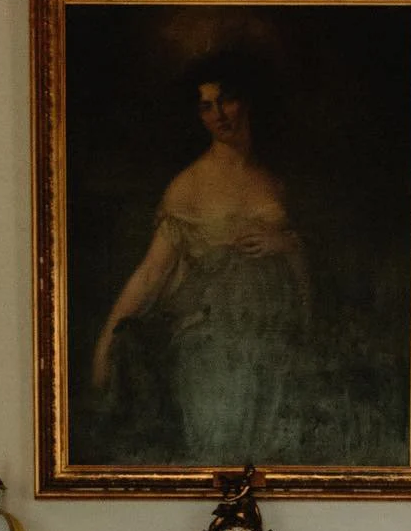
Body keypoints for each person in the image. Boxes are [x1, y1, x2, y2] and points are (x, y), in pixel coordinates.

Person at [92, 57, 309, 464]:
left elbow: (302, 269)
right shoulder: (188, 186)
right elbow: (151, 273)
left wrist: (286, 244)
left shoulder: (274, 179)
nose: (218, 114)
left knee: (268, 457)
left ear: (246, 102)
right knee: (220, 452)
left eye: (226, 100)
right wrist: (106, 340)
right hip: (213, 347)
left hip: (272, 340)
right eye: (206, 106)